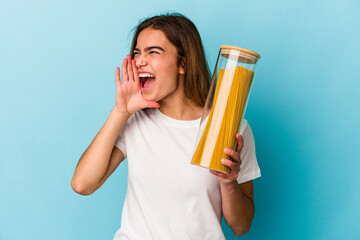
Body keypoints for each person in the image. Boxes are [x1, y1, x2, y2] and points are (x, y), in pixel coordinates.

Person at [71, 13, 261, 240]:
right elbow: (83, 184)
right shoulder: (134, 120)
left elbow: (241, 226)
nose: (140, 60)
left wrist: (228, 182)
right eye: (137, 53)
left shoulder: (230, 128)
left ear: (183, 63)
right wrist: (120, 112)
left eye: (153, 52)